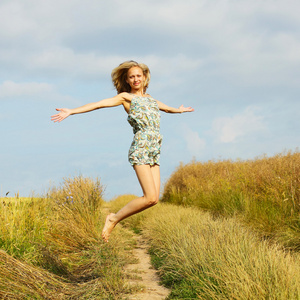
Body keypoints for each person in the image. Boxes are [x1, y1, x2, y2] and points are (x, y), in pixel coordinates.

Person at [51, 60, 194, 242]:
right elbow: (99, 104)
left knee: (154, 199)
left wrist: (180, 111)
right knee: (149, 196)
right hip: (141, 148)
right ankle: (113, 218)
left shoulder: (151, 100)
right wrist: (72, 111)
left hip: (154, 150)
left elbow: (166, 108)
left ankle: (114, 218)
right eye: (131, 77)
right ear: (127, 80)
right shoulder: (126, 98)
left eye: (138, 76)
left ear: (144, 77)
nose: (135, 79)